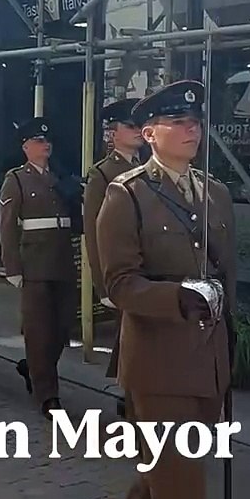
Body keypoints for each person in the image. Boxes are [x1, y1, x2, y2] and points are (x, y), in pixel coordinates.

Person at [96, 81, 236, 499]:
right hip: (158, 364)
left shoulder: (215, 192)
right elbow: (119, 283)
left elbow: (226, 273)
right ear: (150, 133)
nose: (191, 130)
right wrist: (178, 297)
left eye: (195, 122)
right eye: (178, 123)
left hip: (207, 363)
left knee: (164, 475)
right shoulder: (128, 194)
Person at [0, 117, 78, 418]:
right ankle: (48, 395)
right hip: (34, 262)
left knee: (62, 328)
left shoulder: (60, 177)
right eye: (38, 142)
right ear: (25, 147)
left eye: (48, 142)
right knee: (39, 331)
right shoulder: (16, 179)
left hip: (61, 260)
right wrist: (13, 268)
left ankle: (33, 367)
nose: (45, 146)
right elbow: (7, 227)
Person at [84, 98, 143, 396]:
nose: (138, 132)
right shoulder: (103, 174)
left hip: (149, 266)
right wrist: (103, 285)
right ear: (113, 133)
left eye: (140, 126)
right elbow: (95, 233)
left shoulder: (150, 168)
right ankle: (130, 395)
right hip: (122, 268)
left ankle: (133, 392)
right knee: (132, 334)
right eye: (130, 126)